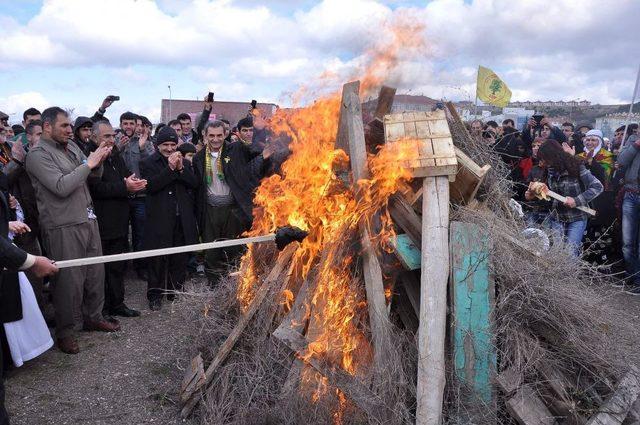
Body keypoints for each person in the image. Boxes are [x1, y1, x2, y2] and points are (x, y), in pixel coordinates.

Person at [25, 107, 120, 355]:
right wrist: (89, 163)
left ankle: (93, 317)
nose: (70, 130)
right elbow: (60, 186)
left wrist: (99, 160)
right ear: (47, 127)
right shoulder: (37, 155)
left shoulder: (72, 147)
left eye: (69, 126)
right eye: (64, 126)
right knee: (68, 281)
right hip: (62, 224)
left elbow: (90, 176)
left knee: (94, 273)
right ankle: (65, 332)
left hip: (87, 218)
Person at [193, 121, 273, 280]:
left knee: (234, 249)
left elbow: (252, 164)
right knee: (211, 250)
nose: (215, 139)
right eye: (212, 136)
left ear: (225, 135)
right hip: (210, 210)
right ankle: (214, 284)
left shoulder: (236, 149)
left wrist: (263, 157)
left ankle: (234, 284)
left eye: (219, 135)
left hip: (233, 209)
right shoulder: (198, 158)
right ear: (205, 136)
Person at [88, 121, 147, 317]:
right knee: (102, 269)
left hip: (120, 220)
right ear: (94, 137)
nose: (111, 140)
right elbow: (96, 188)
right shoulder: (90, 158)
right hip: (103, 222)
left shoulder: (114, 155)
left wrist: (133, 182)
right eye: (106, 137)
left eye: (113, 136)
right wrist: (125, 187)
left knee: (118, 265)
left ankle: (118, 304)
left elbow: (124, 177)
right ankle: (101, 310)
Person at [140, 127, 198, 310]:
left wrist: (181, 169)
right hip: (159, 219)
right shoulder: (148, 163)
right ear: (158, 145)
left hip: (181, 218)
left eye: (173, 144)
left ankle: (175, 290)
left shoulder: (185, 162)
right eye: (165, 144)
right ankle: (155, 295)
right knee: (157, 258)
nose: (170, 149)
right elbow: (152, 186)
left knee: (179, 257)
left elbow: (194, 183)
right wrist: (170, 168)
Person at [526, 139, 603, 256]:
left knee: (570, 254)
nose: (543, 162)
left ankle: (572, 274)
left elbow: (597, 187)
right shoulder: (549, 171)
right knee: (557, 254)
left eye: (545, 159)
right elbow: (549, 195)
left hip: (577, 217)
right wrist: (534, 194)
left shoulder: (576, 166)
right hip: (557, 218)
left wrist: (576, 200)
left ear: (554, 156)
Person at [3, 120, 47, 312]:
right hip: (11, 226)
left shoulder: (11, 147)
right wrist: (17, 162)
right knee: (21, 273)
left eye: (4, 123)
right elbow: (3, 180)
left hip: (30, 219)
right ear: (28, 136)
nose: (4, 127)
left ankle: (39, 315)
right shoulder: (15, 153)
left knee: (36, 270)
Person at [120, 111, 154, 280]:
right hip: (121, 198)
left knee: (140, 235)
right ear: (121, 125)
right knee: (120, 234)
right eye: (125, 123)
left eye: (131, 123)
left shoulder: (145, 142)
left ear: (136, 125)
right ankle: (122, 265)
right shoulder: (115, 142)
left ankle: (141, 267)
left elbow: (152, 164)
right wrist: (117, 148)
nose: (128, 126)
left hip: (141, 197)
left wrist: (141, 148)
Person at [616, 135, 640, 292]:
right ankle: (632, 276)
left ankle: (638, 280)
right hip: (631, 193)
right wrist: (637, 144)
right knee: (627, 242)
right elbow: (621, 161)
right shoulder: (633, 141)